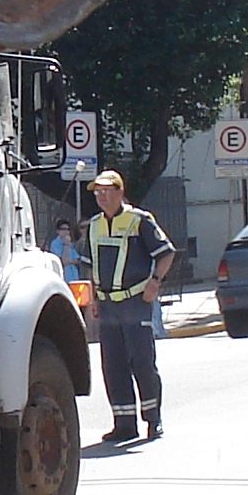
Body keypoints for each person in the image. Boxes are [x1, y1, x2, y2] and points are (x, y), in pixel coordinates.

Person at [84, 170, 174, 445]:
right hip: (108, 305)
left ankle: (153, 419)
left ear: (120, 192)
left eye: (107, 191)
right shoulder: (94, 225)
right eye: (97, 192)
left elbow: (166, 253)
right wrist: (92, 299)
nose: (102, 196)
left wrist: (155, 282)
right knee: (113, 366)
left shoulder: (139, 221)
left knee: (142, 362)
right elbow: (90, 265)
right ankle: (124, 424)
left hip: (135, 302)